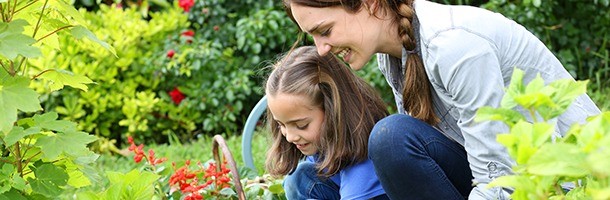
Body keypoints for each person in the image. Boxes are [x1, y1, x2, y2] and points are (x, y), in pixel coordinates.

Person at [282, 0, 602, 199]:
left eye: (325, 30)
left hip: (557, 182)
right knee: (314, 180)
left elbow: (501, 176)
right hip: (490, 177)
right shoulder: (393, 55)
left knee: (391, 139)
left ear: (370, 4)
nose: (320, 48)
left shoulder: (452, 46)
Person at [264, 46, 390, 200]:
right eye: (281, 125)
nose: (290, 137)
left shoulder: (362, 156)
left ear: (332, 110)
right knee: (299, 177)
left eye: (301, 125)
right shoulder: (322, 137)